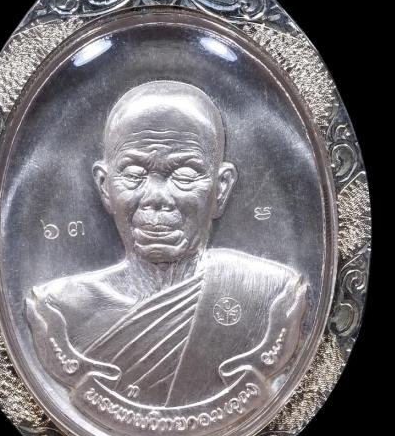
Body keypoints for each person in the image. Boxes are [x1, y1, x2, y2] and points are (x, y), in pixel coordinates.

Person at [27, 81, 306, 408]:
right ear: (105, 186)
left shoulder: (270, 295)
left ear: (220, 188)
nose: (156, 198)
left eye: (185, 174)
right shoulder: (60, 310)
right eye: (134, 173)